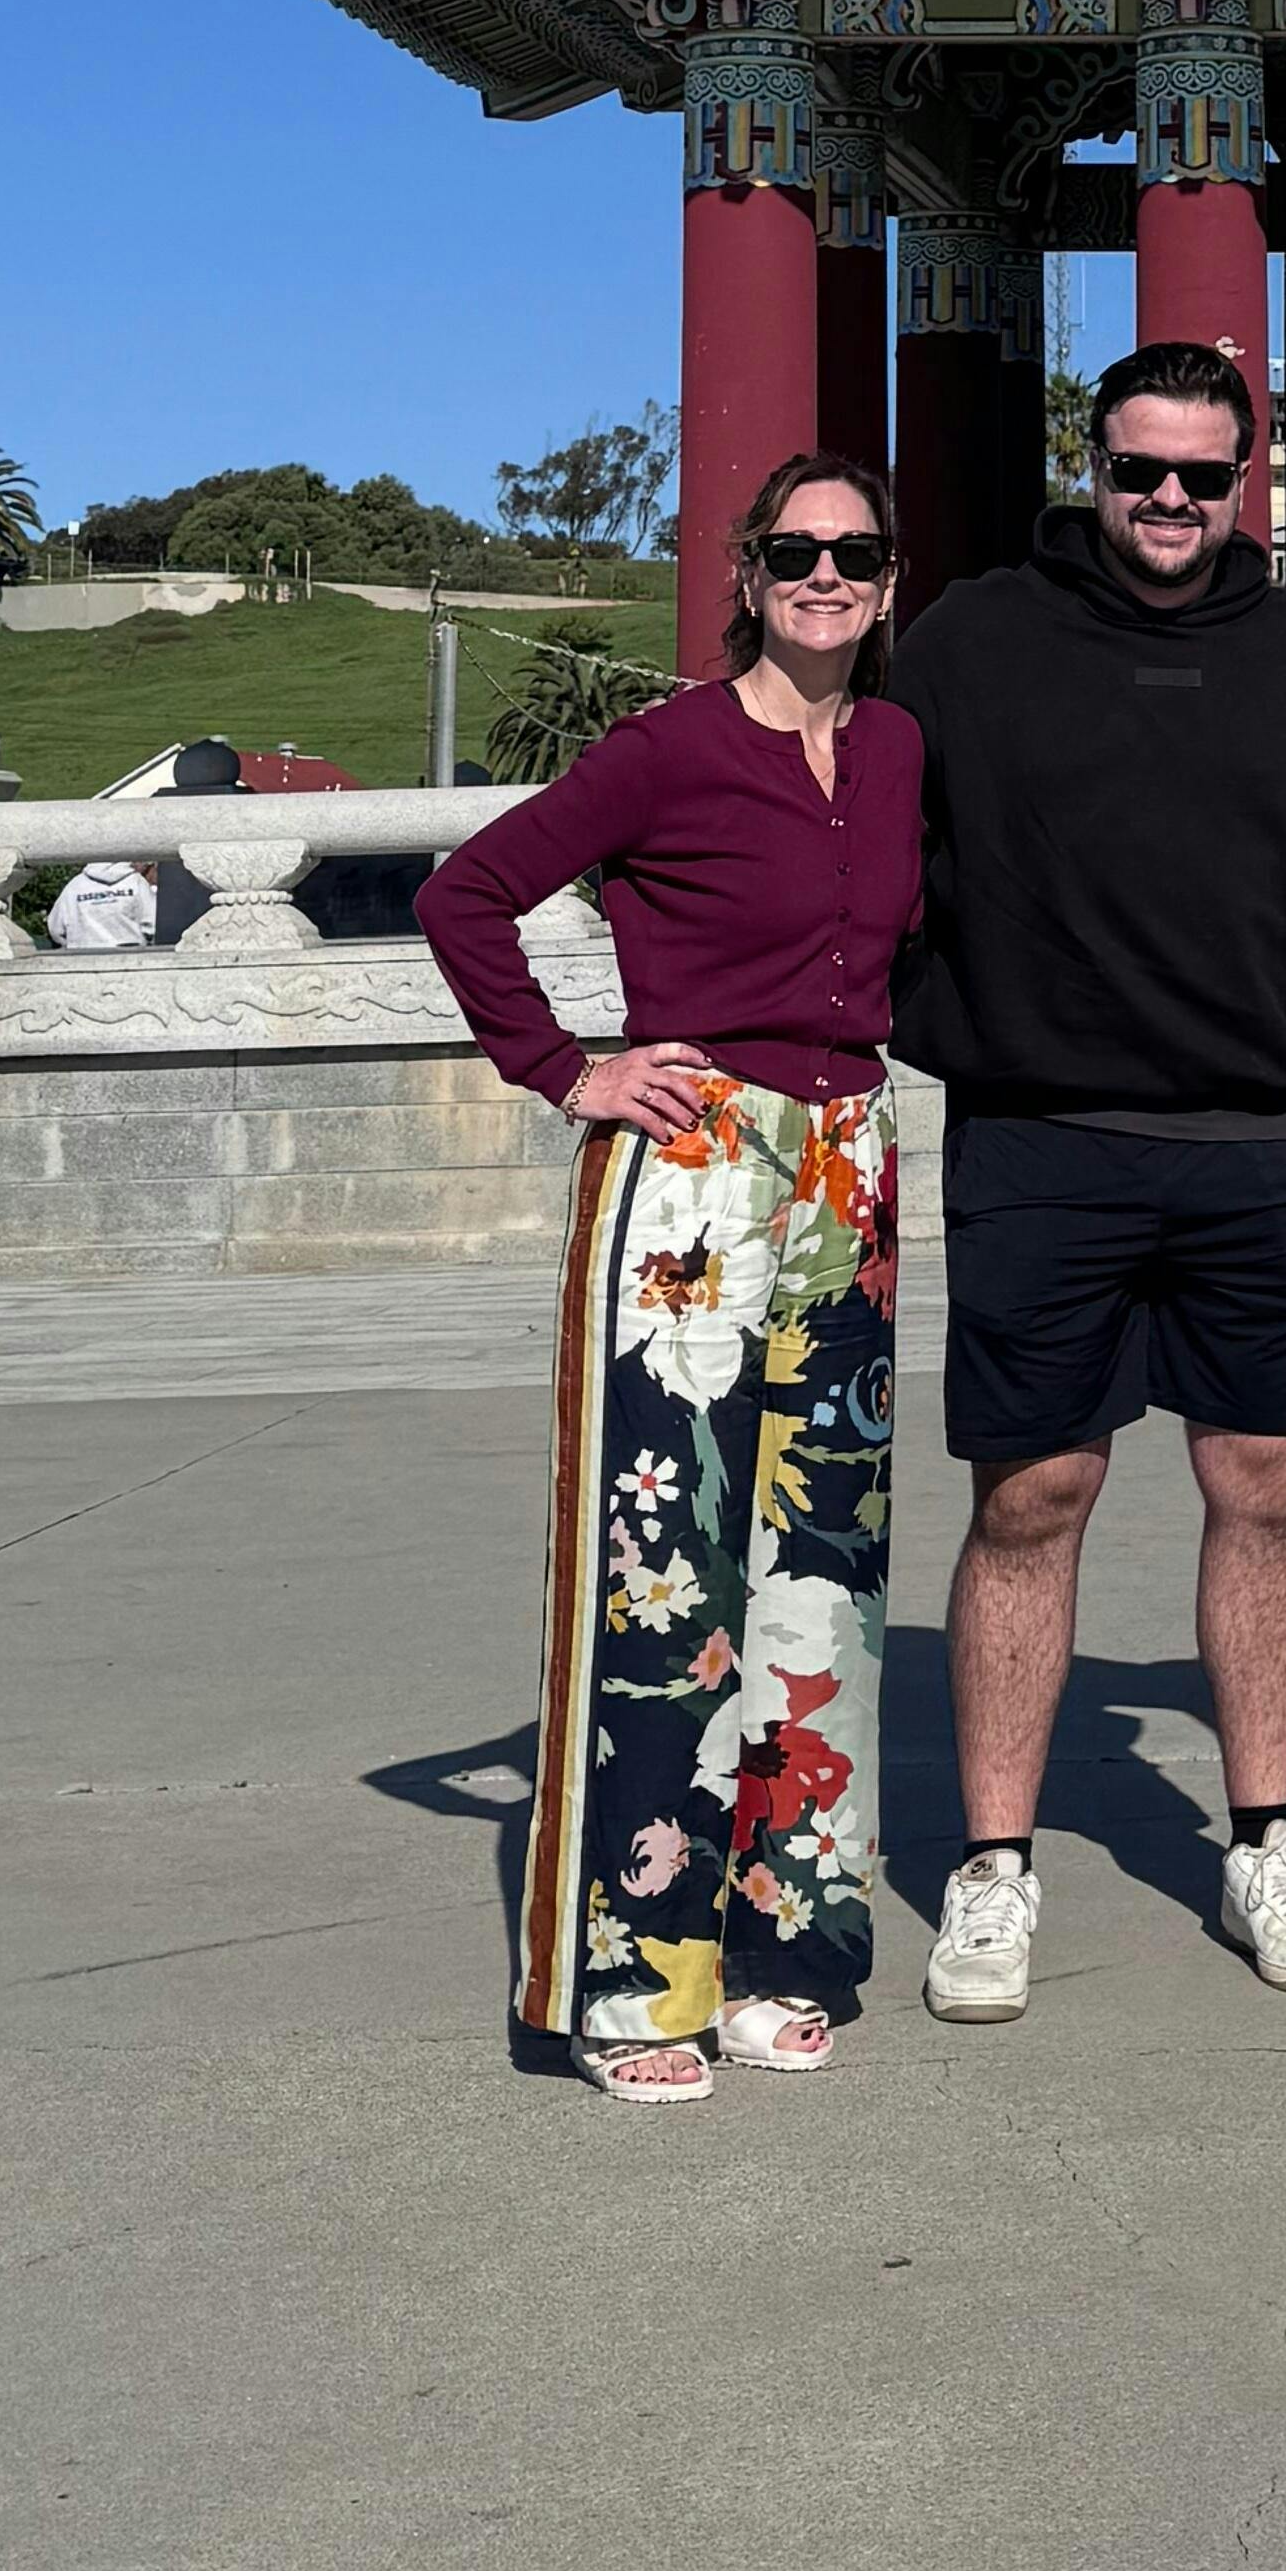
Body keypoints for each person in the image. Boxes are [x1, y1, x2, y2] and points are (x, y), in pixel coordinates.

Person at [890, 332, 1286, 2021]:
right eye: (1143, 470)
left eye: (1205, 474)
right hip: (1038, 1138)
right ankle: (994, 1862)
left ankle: (1265, 1835)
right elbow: (843, 805)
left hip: (1251, 1139)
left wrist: (1261, 917)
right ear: (1095, 466)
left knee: (1266, 1485)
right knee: (1030, 1497)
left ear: (1243, 478)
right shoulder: (972, 641)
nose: (1173, 500)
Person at [417, 449, 914, 2104]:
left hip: (849, 1166)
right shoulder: (666, 749)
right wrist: (567, 1067)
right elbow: (465, 895)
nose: (826, 575)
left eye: (855, 553)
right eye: (797, 550)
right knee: (665, 1572)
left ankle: (786, 1949)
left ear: (889, 584)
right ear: (749, 577)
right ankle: (637, 1983)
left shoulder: (900, 750)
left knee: (824, 1572)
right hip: (691, 1167)